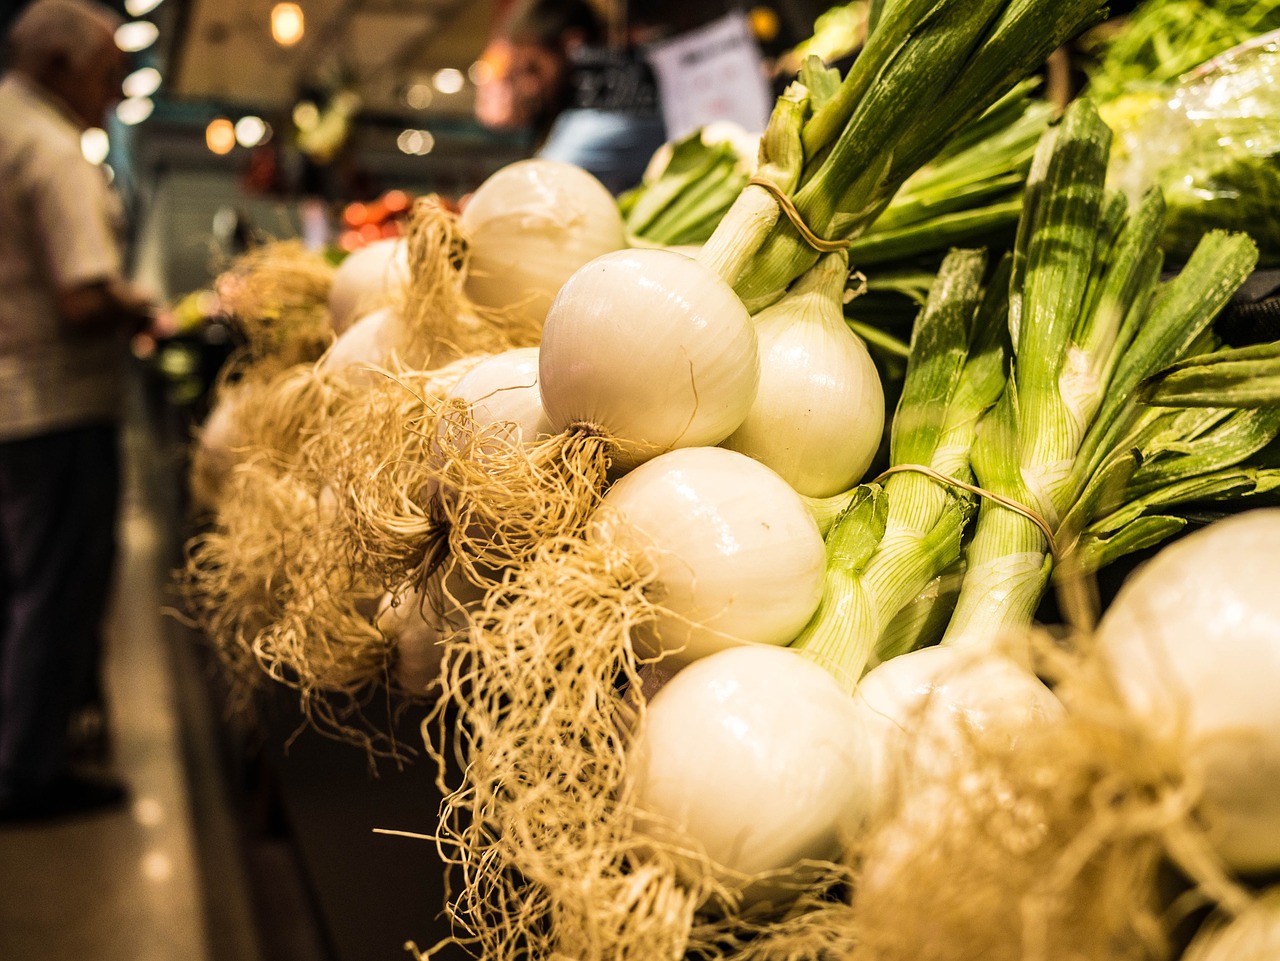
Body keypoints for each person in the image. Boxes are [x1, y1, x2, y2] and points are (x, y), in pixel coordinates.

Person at [0, 0, 160, 821]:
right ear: (58, 67)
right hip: (55, 403)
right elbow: (80, 296)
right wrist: (140, 307)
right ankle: (31, 772)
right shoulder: (53, 150)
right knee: (56, 591)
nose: (114, 91)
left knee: (22, 588)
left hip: (11, 404)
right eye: (107, 75)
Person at [473, 0, 669, 196]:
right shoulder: (591, 101)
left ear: (573, 44)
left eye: (533, 69)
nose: (529, 88)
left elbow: (541, 184)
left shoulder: (611, 109)